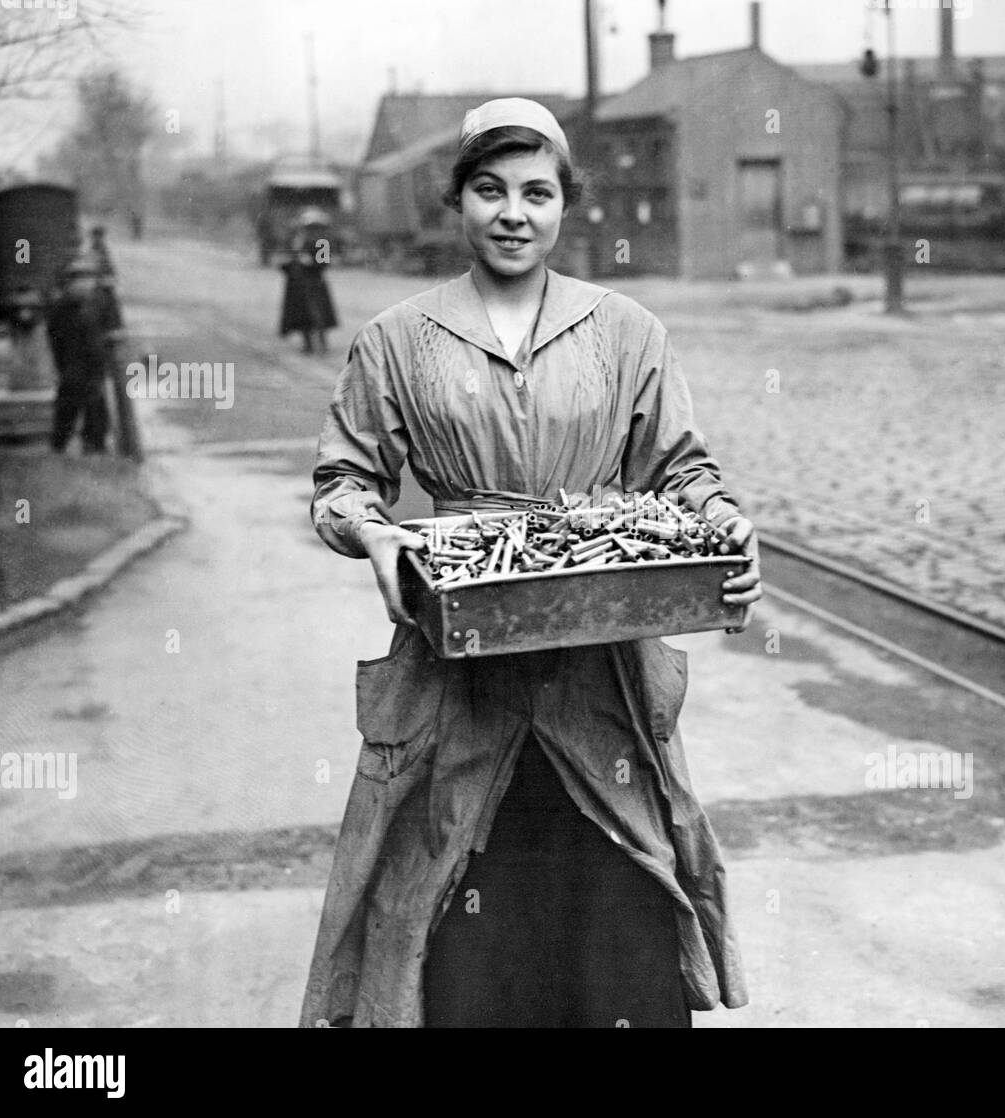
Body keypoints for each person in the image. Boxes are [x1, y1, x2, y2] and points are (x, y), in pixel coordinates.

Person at [300, 98, 762, 1029]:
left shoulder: (627, 331)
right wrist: (378, 533)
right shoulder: (398, 340)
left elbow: (683, 469)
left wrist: (725, 527)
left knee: (620, 916)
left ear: (564, 207)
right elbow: (342, 482)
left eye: (537, 193)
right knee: (461, 921)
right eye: (491, 189)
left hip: (602, 677)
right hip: (458, 672)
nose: (514, 212)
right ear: (459, 202)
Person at [46, 258, 111, 454]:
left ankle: (94, 445)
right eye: (80, 280)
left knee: (96, 410)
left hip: (92, 367)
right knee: (68, 408)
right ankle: (60, 445)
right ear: (70, 283)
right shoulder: (62, 308)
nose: (86, 285)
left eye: (89, 279)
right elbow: (55, 338)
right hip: (73, 366)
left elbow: (103, 334)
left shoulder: (96, 304)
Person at [279, 209, 339, 354]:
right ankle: (308, 345)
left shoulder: (321, 241)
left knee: (318, 315)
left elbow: (324, 263)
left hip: (314, 283)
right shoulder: (297, 238)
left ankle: (322, 345)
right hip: (298, 282)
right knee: (302, 316)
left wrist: (310, 262)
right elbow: (291, 258)